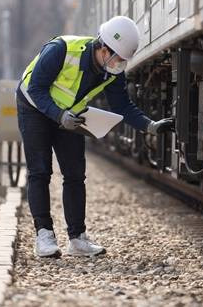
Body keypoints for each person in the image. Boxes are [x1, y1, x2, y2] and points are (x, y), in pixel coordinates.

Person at [15, 16, 174, 258]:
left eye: (123, 61)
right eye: (118, 58)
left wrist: (150, 126)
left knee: (75, 174)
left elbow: (123, 106)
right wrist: (59, 116)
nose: (120, 64)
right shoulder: (61, 50)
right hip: (34, 108)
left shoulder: (112, 71)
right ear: (103, 47)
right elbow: (35, 88)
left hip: (69, 115)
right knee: (40, 171)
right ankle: (44, 236)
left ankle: (77, 240)